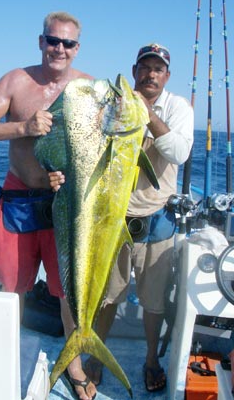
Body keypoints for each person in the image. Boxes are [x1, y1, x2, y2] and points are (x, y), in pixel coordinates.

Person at [0, 12, 96, 400]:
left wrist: (70, 177)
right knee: (13, 288)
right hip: (19, 198)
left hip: (65, 205)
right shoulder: (16, 81)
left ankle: (74, 366)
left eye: (67, 43)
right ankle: (2, 357)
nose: (59, 49)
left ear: (77, 49)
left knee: (69, 291)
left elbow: (100, 150)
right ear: (40, 42)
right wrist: (22, 127)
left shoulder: (88, 88)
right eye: (52, 40)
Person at [50, 43, 194, 393]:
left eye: (158, 69)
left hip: (156, 217)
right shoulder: (116, 103)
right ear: (135, 71)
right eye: (145, 68)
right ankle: (94, 352)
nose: (151, 74)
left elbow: (179, 151)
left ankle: (150, 359)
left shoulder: (177, 107)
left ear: (167, 76)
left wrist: (145, 114)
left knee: (153, 300)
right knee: (107, 296)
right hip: (112, 218)